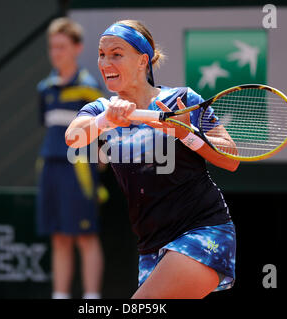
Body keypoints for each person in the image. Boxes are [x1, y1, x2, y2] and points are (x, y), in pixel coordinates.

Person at [65, 20, 239, 299]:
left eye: (116, 54)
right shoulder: (100, 108)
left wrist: (187, 134)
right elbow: (73, 137)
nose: (105, 61)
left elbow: (231, 159)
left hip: (203, 230)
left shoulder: (183, 100)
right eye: (101, 53)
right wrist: (105, 120)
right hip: (152, 247)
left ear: (142, 61)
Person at [36, 17, 105, 300]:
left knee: (85, 237)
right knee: (59, 237)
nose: (56, 53)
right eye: (53, 47)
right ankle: (60, 295)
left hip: (80, 171)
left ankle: (91, 298)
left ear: (77, 48)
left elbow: (102, 135)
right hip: (50, 166)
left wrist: (101, 160)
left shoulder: (90, 88)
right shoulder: (44, 89)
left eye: (62, 47)